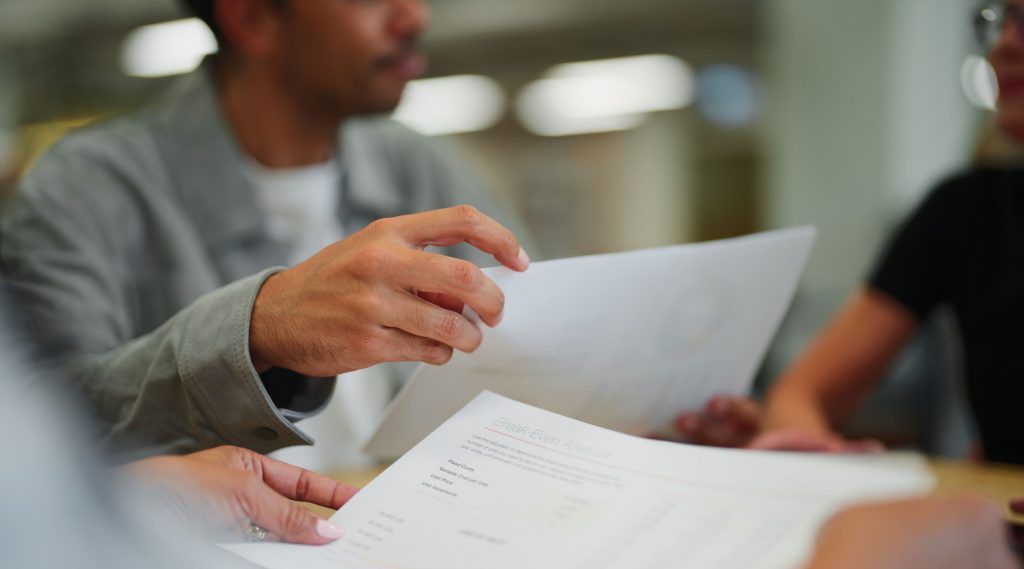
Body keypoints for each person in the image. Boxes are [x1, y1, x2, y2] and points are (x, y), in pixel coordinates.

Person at [0, 0, 533, 462]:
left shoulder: (422, 165)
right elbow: (33, 431)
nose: (414, 15)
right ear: (253, 19)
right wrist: (254, 333)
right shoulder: (84, 188)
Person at [674, 1, 1024, 465]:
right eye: (1002, 20)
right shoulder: (966, 211)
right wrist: (800, 442)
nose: (1004, 45)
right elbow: (800, 394)